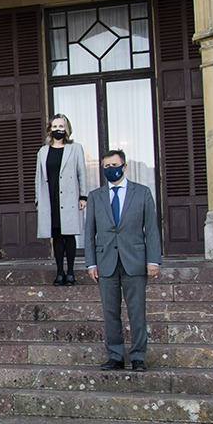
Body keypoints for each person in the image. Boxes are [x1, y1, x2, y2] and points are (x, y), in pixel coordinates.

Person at [84, 149, 161, 372]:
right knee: (110, 312)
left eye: (114, 165)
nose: (111, 169)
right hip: (106, 261)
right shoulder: (96, 196)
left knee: (137, 311)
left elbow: (152, 230)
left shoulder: (142, 193)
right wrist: (91, 263)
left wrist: (153, 260)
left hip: (135, 260)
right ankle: (115, 356)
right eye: (106, 166)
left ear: (124, 166)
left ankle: (138, 356)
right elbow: (89, 232)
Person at [35, 114, 89, 285]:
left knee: (69, 235)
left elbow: (82, 173)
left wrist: (83, 196)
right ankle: (59, 272)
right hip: (50, 197)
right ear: (50, 129)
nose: (58, 129)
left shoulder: (75, 148)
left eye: (61, 126)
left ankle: (71, 272)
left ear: (67, 129)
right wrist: (38, 200)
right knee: (56, 235)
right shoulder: (43, 151)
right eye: (55, 126)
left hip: (70, 196)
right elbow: (38, 177)